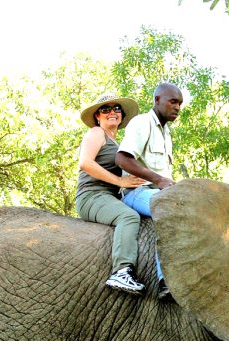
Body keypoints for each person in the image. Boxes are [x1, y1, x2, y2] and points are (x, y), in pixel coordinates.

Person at [116, 82, 183, 299]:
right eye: (173, 101)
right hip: (136, 193)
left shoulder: (166, 133)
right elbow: (122, 158)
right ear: (157, 100)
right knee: (169, 208)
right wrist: (159, 180)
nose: (177, 107)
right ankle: (166, 281)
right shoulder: (142, 123)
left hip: (155, 193)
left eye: (180, 103)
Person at [75, 94, 147, 295]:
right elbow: (85, 163)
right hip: (91, 196)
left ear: (122, 116)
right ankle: (122, 271)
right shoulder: (97, 133)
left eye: (116, 109)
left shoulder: (120, 144)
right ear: (98, 116)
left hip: (110, 197)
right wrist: (120, 182)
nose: (112, 112)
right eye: (105, 109)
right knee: (128, 216)